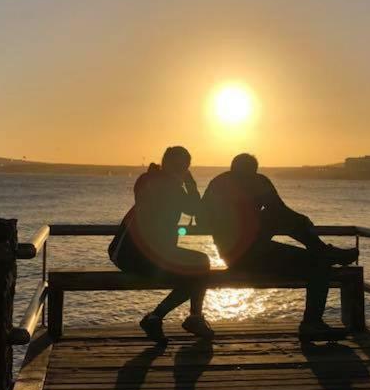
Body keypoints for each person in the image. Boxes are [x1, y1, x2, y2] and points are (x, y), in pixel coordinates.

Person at [199, 153, 357, 340]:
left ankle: (324, 252)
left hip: (248, 251)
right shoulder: (231, 184)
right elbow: (279, 210)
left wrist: (296, 219)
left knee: (285, 219)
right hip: (245, 256)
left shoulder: (234, 182)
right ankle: (311, 323)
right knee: (319, 264)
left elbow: (279, 210)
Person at [109, 146, 214, 343]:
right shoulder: (167, 186)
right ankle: (186, 318)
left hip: (135, 251)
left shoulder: (149, 179)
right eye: (181, 166)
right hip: (135, 253)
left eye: (185, 167)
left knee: (196, 270)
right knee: (199, 267)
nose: (183, 170)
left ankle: (166, 318)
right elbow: (195, 211)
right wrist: (190, 185)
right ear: (169, 165)